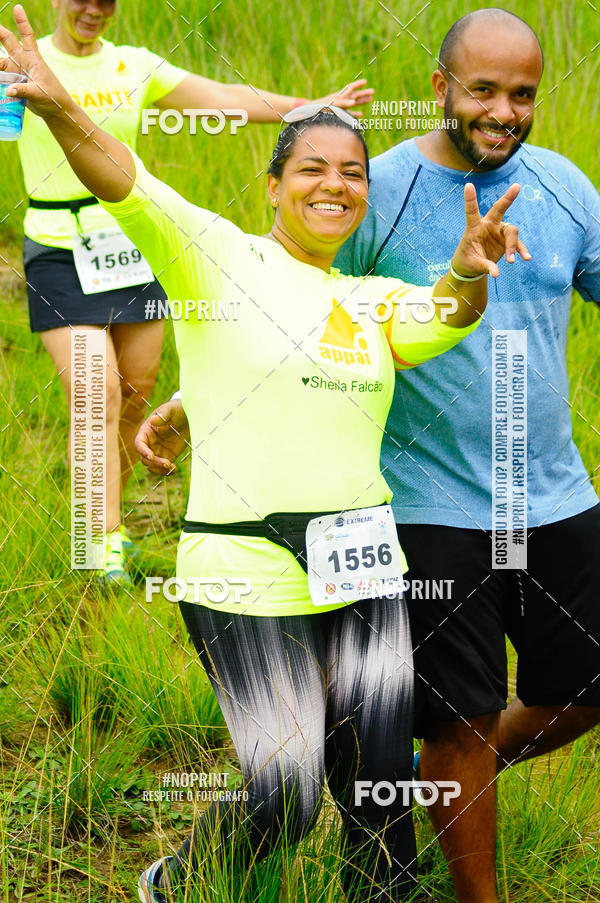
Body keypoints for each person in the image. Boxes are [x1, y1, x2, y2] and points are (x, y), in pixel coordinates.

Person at [0, 7, 530, 901]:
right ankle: (179, 879)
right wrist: (57, 108)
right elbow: (126, 178)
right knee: (283, 794)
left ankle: (382, 892)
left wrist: (468, 270)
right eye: (312, 169)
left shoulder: (372, 299)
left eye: (353, 174)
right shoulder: (216, 254)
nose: (335, 185)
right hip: (241, 563)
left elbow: (445, 313)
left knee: (376, 790)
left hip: (363, 562)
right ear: (274, 185)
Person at [332, 8, 600, 903]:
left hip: (553, 493)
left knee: (585, 687)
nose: (504, 111)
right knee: (466, 715)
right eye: (482, 89)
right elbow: (312, 309)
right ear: (442, 87)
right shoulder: (389, 189)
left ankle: (427, 772)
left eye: (522, 94)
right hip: (428, 506)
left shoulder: (562, 187)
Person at [8, 0, 372, 586]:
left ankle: (109, 518)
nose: (94, 10)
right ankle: (96, 544)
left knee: (135, 392)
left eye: (108, 1)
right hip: (58, 248)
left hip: (132, 245)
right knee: (93, 391)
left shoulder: (134, 67)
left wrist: (313, 110)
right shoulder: (24, 58)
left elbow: (225, 98)